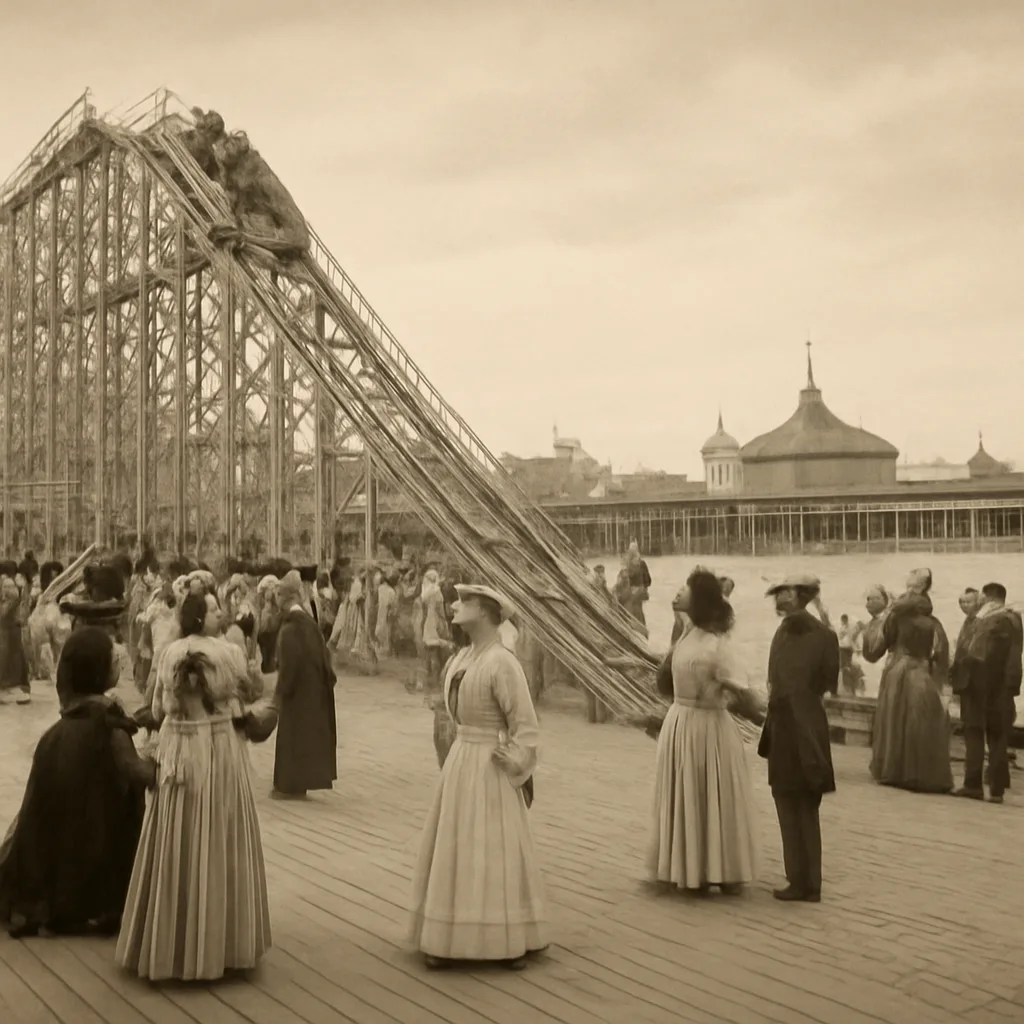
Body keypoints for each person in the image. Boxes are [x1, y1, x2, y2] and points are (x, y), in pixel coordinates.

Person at [116, 591, 272, 981]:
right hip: (218, 749)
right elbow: (253, 691)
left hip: (178, 749)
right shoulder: (228, 652)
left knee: (176, 835)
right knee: (220, 835)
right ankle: (221, 944)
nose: (222, 613)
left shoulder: (169, 652)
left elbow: (155, 710)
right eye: (216, 608)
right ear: (201, 618)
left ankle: (170, 941)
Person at [409, 583, 547, 970]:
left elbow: (526, 723)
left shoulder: (502, 662)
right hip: (461, 761)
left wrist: (517, 759)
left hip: (489, 765)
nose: (455, 606)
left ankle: (503, 935)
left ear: (486, 613)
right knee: (457, 845)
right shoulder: (463, 657)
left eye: (465, 602)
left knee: (490, 846)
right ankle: (448, 934)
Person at [0, 628, 154, 938]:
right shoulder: (109, 722)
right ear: (98, 670)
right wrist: (168, 762)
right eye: (113, 661)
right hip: (98, 834)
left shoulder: (61, 727)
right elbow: (136, 771)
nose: (119, 665)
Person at [648, 569, 761, 895]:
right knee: (685, 793)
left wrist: (757, 712)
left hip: (710, 726)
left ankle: (717, 868)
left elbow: (741, 689)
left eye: (685, 588)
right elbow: (665, 682)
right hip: (680, 723)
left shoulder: (717, 644)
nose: (678, 592)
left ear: (699, 599)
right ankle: (687, 866)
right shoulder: (686, 635)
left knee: (708, 794)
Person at [758, 574, 839, 903]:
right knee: (802, 803)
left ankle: (802, 880)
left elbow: (783, 682)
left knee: (793, 803)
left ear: (801, 595)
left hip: (794, 727)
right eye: (777, 592)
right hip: (803, 725)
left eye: (785, 592)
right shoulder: (821, 636)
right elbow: (826, 682)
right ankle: (807, 881)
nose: (779, 597)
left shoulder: (797, 634)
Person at [862, 568, 953, 794]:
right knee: (920, 723)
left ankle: (893, 771)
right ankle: (922, 775)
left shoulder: (896, 615)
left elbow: (874, 650)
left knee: (894, 721)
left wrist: (873, 625)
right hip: (923, 673)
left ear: (918, 586)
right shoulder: (933, 621)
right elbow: (942, 655)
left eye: (911, 581)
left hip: (898, 670)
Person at [955, 583, 1022, 803]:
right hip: (1003, 687)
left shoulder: (989, 620)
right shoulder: (1015, 620)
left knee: (974, 734)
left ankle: (972, 784)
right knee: (999, 737)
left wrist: (958, 674)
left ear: (989, 598)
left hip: (978, 685)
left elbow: (975, 653)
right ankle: (997, 788)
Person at [272, 574, 338, 799]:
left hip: (297, 694)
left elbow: (288, 666)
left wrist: (280, 694)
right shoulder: (308, 624)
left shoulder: (291, 627)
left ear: (283, 597)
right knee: (304, 737)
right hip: (314, 692)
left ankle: (289, 785)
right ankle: (299, 783)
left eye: (277, 596)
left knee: (292, 737)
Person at [0, 574, 31, 706]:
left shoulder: (17, 602)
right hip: (4, 636)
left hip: (13, 635)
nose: (7, 589)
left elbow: (20, 618)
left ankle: (22, 690)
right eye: (5, 586)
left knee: (17, 660)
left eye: (10, 586)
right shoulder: (5, 601)